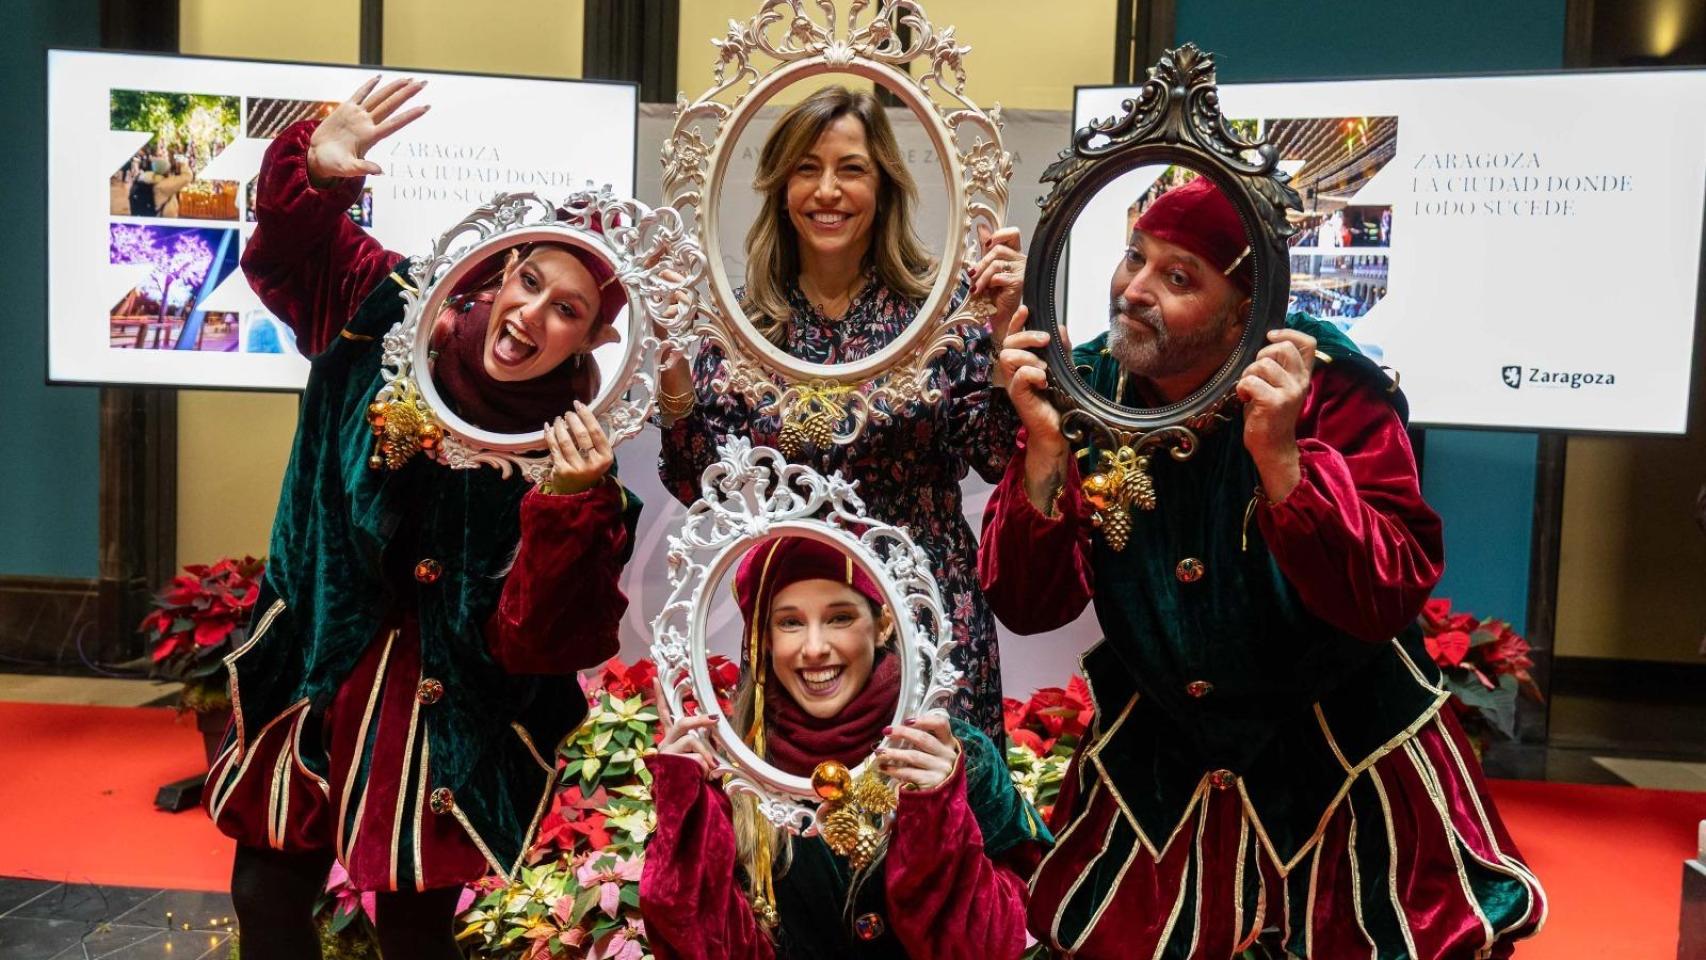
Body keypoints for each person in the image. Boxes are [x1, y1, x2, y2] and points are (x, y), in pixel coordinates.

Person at [982, 177, 1545, 958]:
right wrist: (1045, 452)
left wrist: (1282, 461)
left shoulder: (1329, 389)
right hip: (1161, 777)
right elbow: (1026, 603)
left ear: (1246, 311)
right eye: (1134, 257)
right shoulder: (1083, 391)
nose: (1135, 290)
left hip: (1345, 778)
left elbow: (1385, 596)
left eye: (1179, 277)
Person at [205, 77, 643, 960]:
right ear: (501, 268)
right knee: (264, 892)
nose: (530, 314)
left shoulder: (575, 455)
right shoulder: (392, 308)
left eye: (567, 310)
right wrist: (315, 174)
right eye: (529, 281)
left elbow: (539, 644)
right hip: (319, 654)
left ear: (594, 339)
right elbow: (289, 260)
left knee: (414, 929)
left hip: (441, 702)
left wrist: (566, 508)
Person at [656, 85, 1028, 741]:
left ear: (883, 186)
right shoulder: (741, 323)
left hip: (928, 608)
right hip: (800, 629)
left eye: (851, 169)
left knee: (934, 797)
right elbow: (701, 485)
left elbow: (996, 456)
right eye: (807, 168)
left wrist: (1002, 336)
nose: (827, 191)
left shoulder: (941, 311)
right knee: (799, 801)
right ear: (781, 188)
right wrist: (671, 368)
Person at [640, 534, 1051, 959]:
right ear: (763, 639)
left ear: (884, 623)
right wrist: (685, 810)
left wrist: (939, 812)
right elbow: (703, 947)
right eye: (790, 622)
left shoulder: (951, 755)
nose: (815, 649)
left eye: (840, 618)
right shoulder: (729, 766)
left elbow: (997, 942)